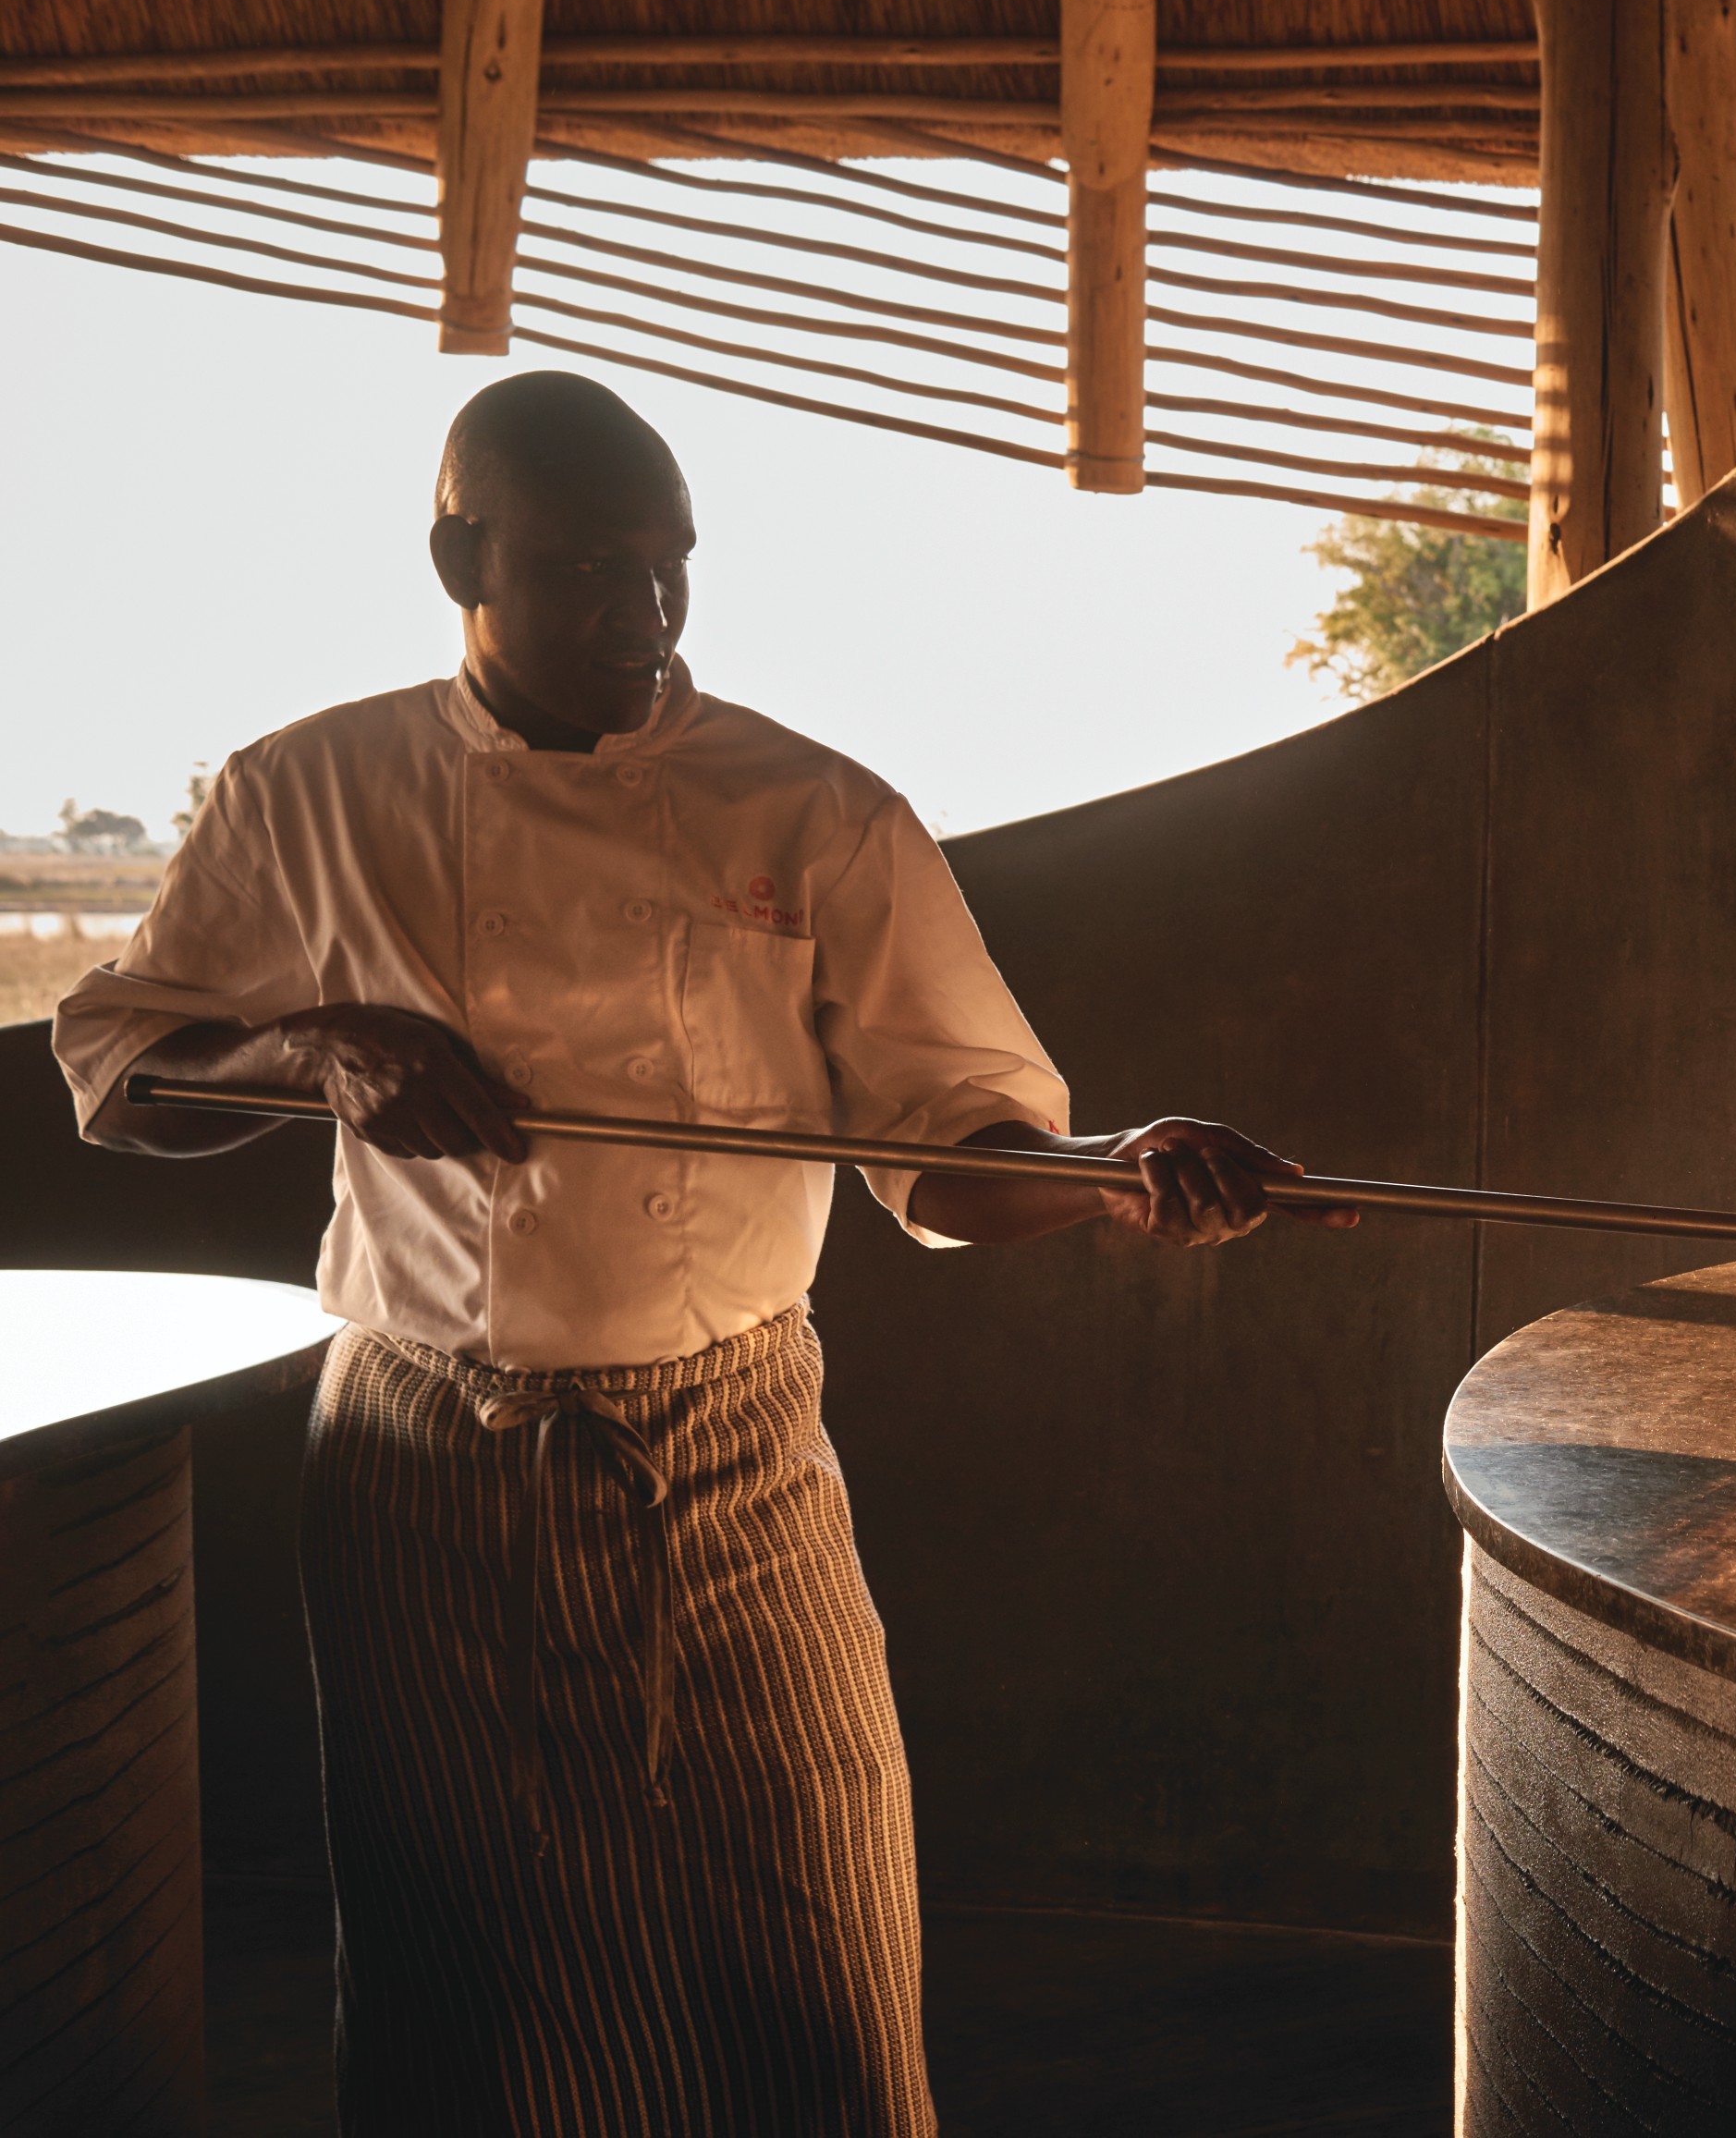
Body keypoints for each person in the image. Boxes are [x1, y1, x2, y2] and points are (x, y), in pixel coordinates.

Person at [54, 371, 1349, 2136]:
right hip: (429, 1465)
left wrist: (1115, 1175)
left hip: (733, 1458)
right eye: (590, 574)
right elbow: (114, 1071)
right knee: (472, 1998)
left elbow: (949, 1161)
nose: (646, 621)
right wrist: (314, 1054)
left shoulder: (809, 810)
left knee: (811, 1962)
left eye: (670, 569)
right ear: (462, 557)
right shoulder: (308, 789)